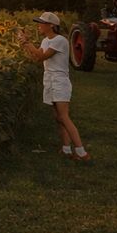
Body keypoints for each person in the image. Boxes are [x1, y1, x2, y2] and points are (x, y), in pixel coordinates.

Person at [17, 12, 91, 162]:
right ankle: (66, 149)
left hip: (59, 81)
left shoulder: (60, 40)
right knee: (58, 118)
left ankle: (82, 152)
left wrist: (26, 43)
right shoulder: (45, 41)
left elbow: (42, 56)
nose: (39, 26)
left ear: (51, 25)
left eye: (41, 23)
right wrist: (25, 45)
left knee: (64, 116)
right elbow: (37, 57)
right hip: (49, 80)